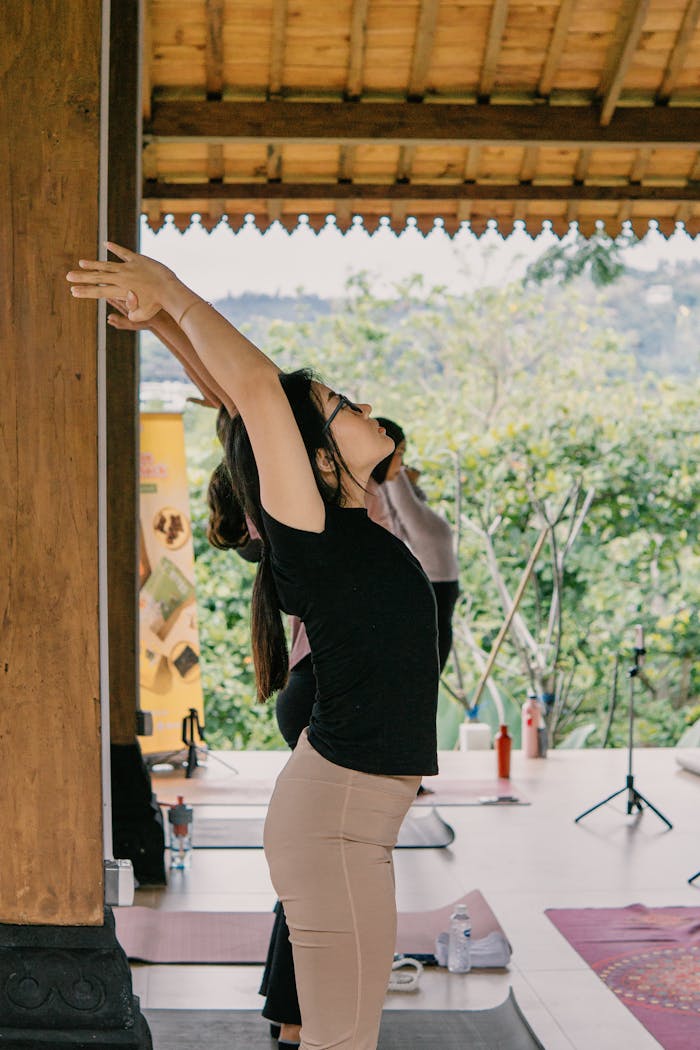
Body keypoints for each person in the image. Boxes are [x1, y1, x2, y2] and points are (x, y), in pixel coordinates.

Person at [68, 245, 439, 1050]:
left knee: (345, 1036)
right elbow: (260, 394)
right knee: (343, 1040)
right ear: (310, 455)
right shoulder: (311, 532)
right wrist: (171, 291)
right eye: (341, 405)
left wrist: (164, 320)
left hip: (354, 822)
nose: (362, 408)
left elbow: (238, 399)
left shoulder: (345, 526)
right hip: (335, 819)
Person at [371, 418, 460, 673]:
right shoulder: (378, 490)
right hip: (427, 587)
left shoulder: (382, 490)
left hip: (433, 588)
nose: (402, 465)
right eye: (399, 454)